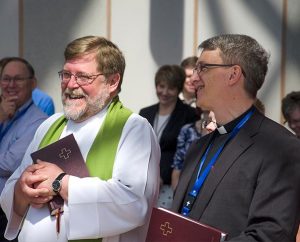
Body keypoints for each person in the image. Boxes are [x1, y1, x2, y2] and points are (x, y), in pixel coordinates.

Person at [0, 36, 160, 242]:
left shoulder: (133, 128)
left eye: (83, 77)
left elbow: (135, 204)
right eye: (66, 74)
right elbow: (13, 188)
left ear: (112, 82)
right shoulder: (50, 125)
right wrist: (22, 191)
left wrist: (61, 183)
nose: (71, 84)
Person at [171, 34, 300, 241]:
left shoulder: (282, 148)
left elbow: (270, 235)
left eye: (203, 68)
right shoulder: (198, 146)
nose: (194, 78)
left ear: (233, 74)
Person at [0, 57, 48, 242]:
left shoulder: (38, 121)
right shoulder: (4, 113)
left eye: (18, 79)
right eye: (6, 78)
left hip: (7, 216)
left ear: (33, 83)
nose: (10, 84)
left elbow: (8, 164)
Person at [139, 64, 198, 209]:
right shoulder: (145, 113)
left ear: (178, 89)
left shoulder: (189, 114)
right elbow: (138, 149)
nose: (164, 92)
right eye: (161, 86)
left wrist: (162, 177)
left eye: (170, 88)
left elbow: (186, 155)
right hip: (143, 183)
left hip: (170, 186)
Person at [171, 110, 216, 190]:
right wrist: (177, 196)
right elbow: (177, 166)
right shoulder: (188, 130)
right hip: (186, 186)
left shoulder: (224, 131)